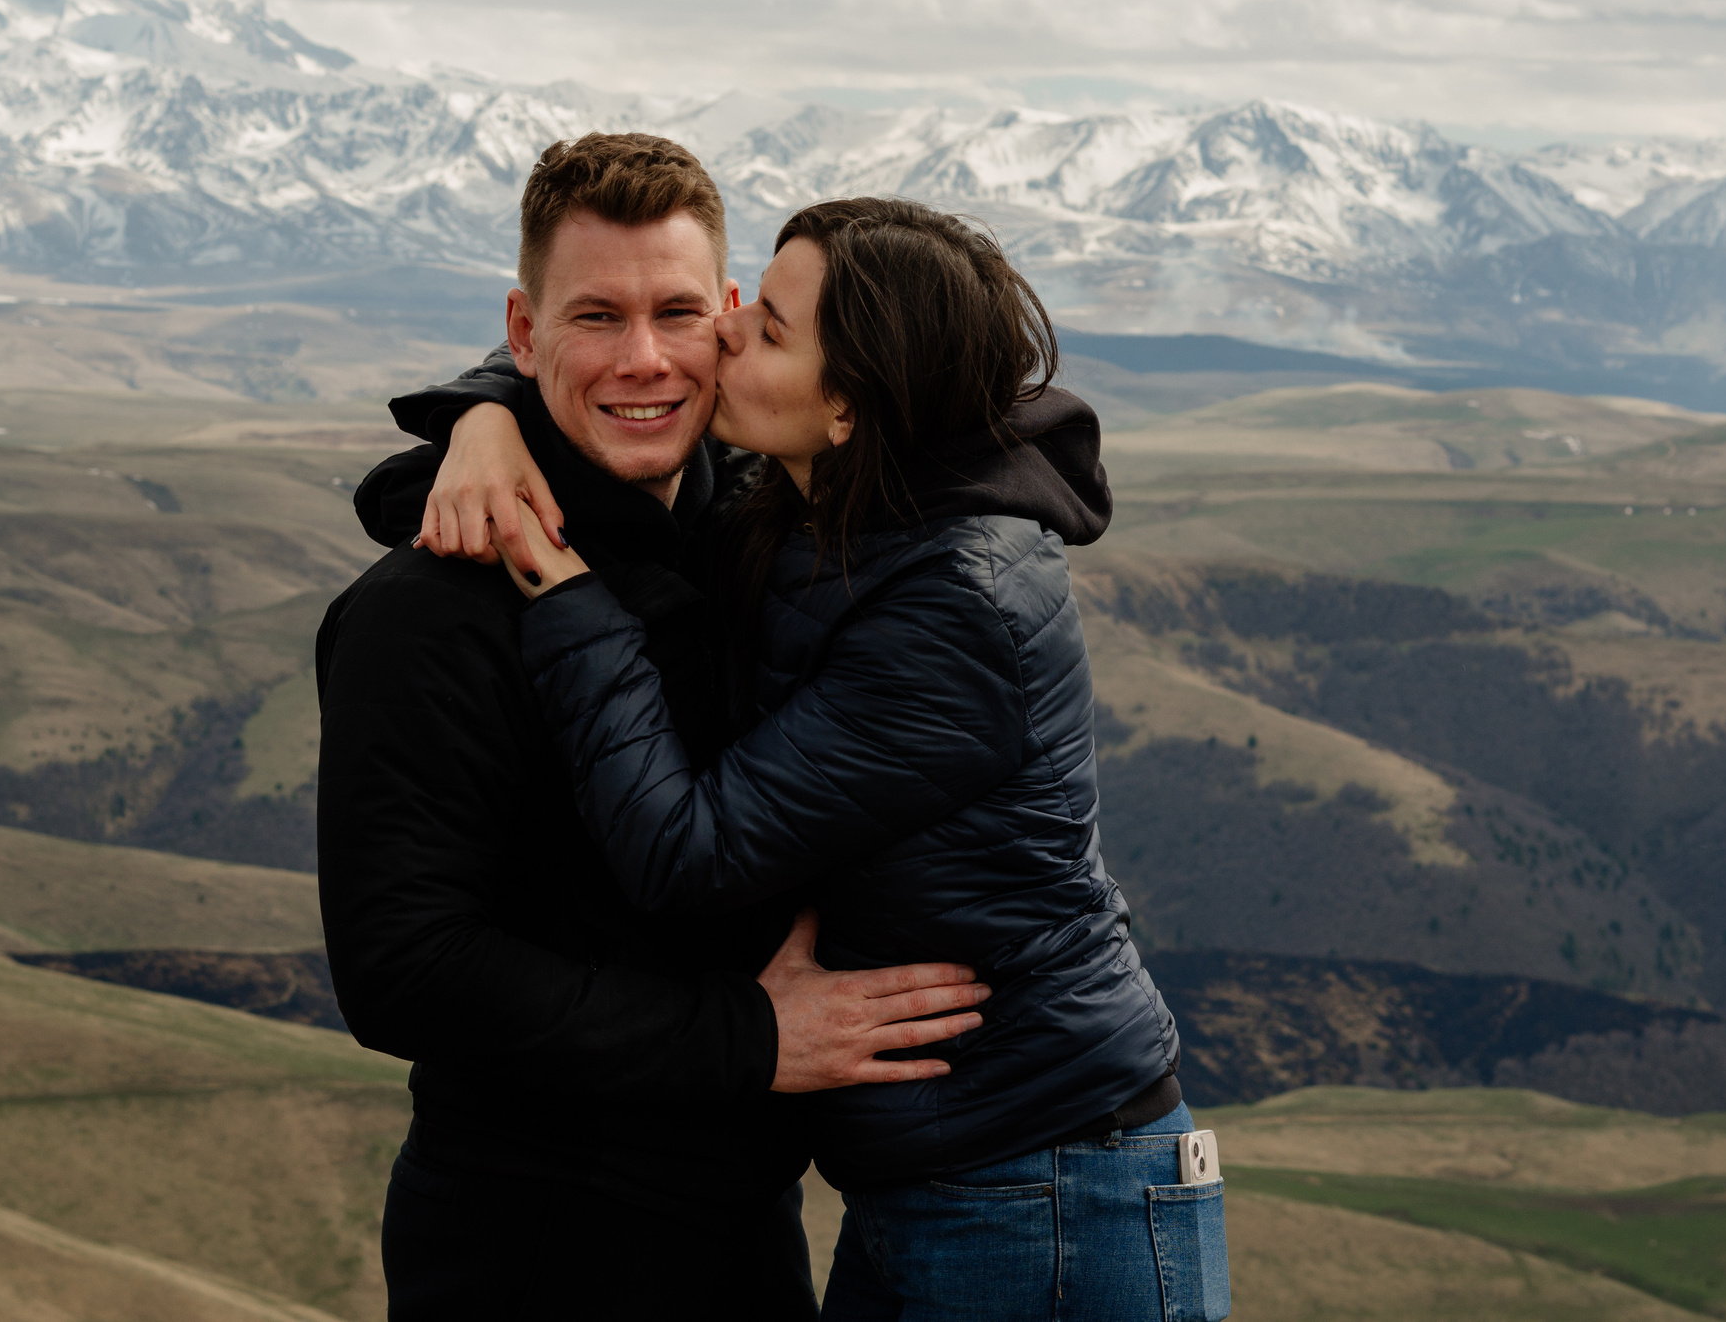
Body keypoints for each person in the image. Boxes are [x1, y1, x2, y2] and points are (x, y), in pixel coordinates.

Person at [407, 197, 1227, 1321]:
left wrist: (569, 597)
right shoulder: (825, 501)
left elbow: (686, 857)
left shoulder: (954, 604)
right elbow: (602, 373)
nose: (723, 334)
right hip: (952, 1177)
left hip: (1044, 1189)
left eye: (769, 330)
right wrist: (486, 415)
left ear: (845, 406)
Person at [317, 137, 997, 1322]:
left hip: (745, 1227)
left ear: (730, 322)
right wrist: (745, 1039)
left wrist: (480, 412)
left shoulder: (753, 519)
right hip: (533, 1247)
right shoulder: (423, 615)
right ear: (523, 335)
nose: (643, 359)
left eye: (677, 312)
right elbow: (404, 973)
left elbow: (940, 395)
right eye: (596, 317)